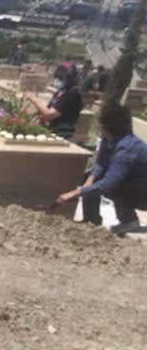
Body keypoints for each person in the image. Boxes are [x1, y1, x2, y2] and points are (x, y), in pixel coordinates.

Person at [58, 102, 147, 235]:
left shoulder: (126, 149)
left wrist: (75, 193)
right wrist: (89, 181)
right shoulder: (109, 139)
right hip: (134, 183)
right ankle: (92, 221)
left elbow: (108, 184)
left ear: (108, 125)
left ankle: (129, 221)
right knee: (90, 178)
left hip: (143, 193)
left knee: (113, 186)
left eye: (100, 122)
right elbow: (100, 164)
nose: (98, 125)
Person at [24, 63, 83, 139]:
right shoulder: (61, 91)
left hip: (62, 133)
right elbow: (50, 107)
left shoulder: (72, 94)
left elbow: (50, 114)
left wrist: (34, 99)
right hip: (52, 128)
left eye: (61, 78)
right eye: (56, 77)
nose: (57, 81)